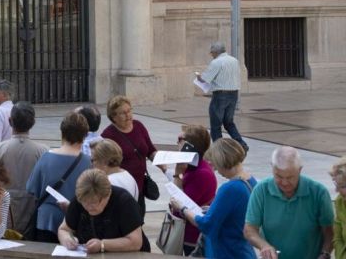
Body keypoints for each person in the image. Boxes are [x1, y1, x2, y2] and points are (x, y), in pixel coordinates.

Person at [170, 138, 257, 259]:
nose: (215, 168)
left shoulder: (230, 188)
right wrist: (213, 209)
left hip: (227, 252)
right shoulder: (251, 181)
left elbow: (206, 225)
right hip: (243, 249)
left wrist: (182, 208)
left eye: (215, 163)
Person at [245, 146, 334, 259]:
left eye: (290, 177)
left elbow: (329, 231)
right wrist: (264, 246)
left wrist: (325, 253)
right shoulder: (261, 190)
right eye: (279, 176)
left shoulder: (318, 192)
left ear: (300, 170)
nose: (285, 182)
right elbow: (249, 229)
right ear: (272, 168)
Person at [26, 112, 92, 242]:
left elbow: (31, 188)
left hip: (46, 220)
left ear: (62, 133)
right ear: (84, 136)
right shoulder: (88, 162)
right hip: (74, 221)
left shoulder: (46, 158)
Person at [57, 169, 150, 253]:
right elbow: (63, 229)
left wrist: (102, 245)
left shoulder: (124, 202)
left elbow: (136, 242)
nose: (88, 207)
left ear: (108, 194)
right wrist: (67, 239)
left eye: (94, 202)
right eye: (84, 202)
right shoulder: (79, 199)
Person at [0, 101, 48, 234]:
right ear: (33, 123)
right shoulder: (43, 151)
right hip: (33, 209)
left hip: (3, 208)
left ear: (10, 121)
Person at [100, 95, 162, 214]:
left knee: (139, 218)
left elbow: (150, 150)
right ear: (113, 117)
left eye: (129, 111)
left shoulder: (138, 126)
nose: (128, 115)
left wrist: (163, 165)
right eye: (123, 113)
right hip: (122, 187)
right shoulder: (108, 135)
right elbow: (104, 165)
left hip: (139, 186)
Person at [170, 124, 217, 254]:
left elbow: (180, 206)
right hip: (186, 233)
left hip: (192, 238)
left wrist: (177, 174)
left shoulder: (202, 173)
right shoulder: (192, 167)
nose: (177, 142)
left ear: (188, 146)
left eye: (180, 140)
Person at [197, 41, 248, 151]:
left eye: (212, 53)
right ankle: (242, 144)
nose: (212, 55)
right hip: (234, 94)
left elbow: (205, 79)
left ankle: (218, 150)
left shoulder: (216, 62)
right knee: (228, 122)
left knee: (216, 125)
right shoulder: (234, 61)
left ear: (215, 52)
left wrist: (198, 77)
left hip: (220, 95)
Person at [331, 157, 346, 259]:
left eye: (344, 186)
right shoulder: (340, 202)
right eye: (338, 185)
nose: (337, 190)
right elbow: (338, 239)